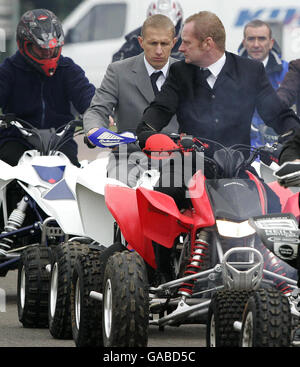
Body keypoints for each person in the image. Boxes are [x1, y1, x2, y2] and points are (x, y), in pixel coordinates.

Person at [135, 11, 300, 283]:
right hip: (189, 161)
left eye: (186, 42)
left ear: (208, 43)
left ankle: (277, 279)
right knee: (163, 196)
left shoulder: (250, 71)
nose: (180, 48)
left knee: (273, 207)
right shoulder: (180, 71)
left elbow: (279, 115)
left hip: (239, 164)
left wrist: (294, 140)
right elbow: (158, 111)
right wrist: (149, 135)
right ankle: (161, 278)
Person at [0, 9, 95, 168]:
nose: (48, 52)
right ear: (24, 45)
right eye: (42, 49)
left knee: (73, 175)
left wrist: (96, 113)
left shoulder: (67, 68)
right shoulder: (9, 70)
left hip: (60, 140)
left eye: (53, 48)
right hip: (16, 139)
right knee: (7, 172)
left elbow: (86, 94)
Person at [84, 14, 179, 138]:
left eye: (164, 44)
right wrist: (94, 130)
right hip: (130, 153)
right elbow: (98, 110)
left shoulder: (187, 73)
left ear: (174, 42)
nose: (159, 51)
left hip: (179, 154)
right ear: (141, 42)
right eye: (153, 43)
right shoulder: (118, 72)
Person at [239, 19, 289, 147]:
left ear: (271, 43)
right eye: (251, 39)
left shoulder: (289, 73)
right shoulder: (229, 71)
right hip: (240, 149)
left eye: (261, 39)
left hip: (280, 148)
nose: (256, 44)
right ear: (244, 43)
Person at [112, 0, 184, 62]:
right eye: (157, 26)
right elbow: (118, 61)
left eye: (167, 26)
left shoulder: (188, 37)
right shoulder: (135, 38)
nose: (159, 51)